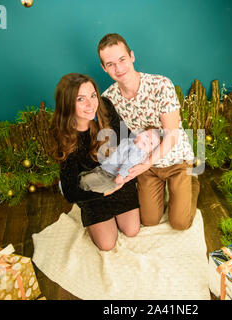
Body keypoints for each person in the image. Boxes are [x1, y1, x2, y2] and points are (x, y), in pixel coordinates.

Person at [97, 33, 200, 231]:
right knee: (149, 220)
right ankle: (161, 188)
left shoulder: (161, 85)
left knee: (180, 223)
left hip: (175, 159)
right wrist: (118, 173)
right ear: (104, 68)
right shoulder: (108, 98)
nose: (118, 68)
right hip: (145, 162)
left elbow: (172, 136)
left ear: (132, 56)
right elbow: (115, 140)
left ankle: (191, 182)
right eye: (110, 64)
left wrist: (145, 164)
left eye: (122, 59)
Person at [50, 73, 140, 251]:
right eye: (81, 99)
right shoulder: (62, 133)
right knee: (107, 244)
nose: (91, 104)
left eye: (93, 95)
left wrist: (125, 172)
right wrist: (102, 194)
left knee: (132, 230)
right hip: (92, 189)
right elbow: (70, 193)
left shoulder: (104, 106)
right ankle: (98, 221)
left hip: (116, 176)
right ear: (68, 104)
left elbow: (127, 137)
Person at [79, 127, 161, 194]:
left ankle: (80, 189)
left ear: (150, 151)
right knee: (88, 176)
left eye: (151, 143)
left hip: (112, 176)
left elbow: (128, 164)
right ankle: (81, 184)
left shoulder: (138, 152)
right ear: (140, 133)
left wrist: (121, 175)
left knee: (87, 181)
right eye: (147, 136)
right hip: (105, 168)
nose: (147, 141)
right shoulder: (129, 142)